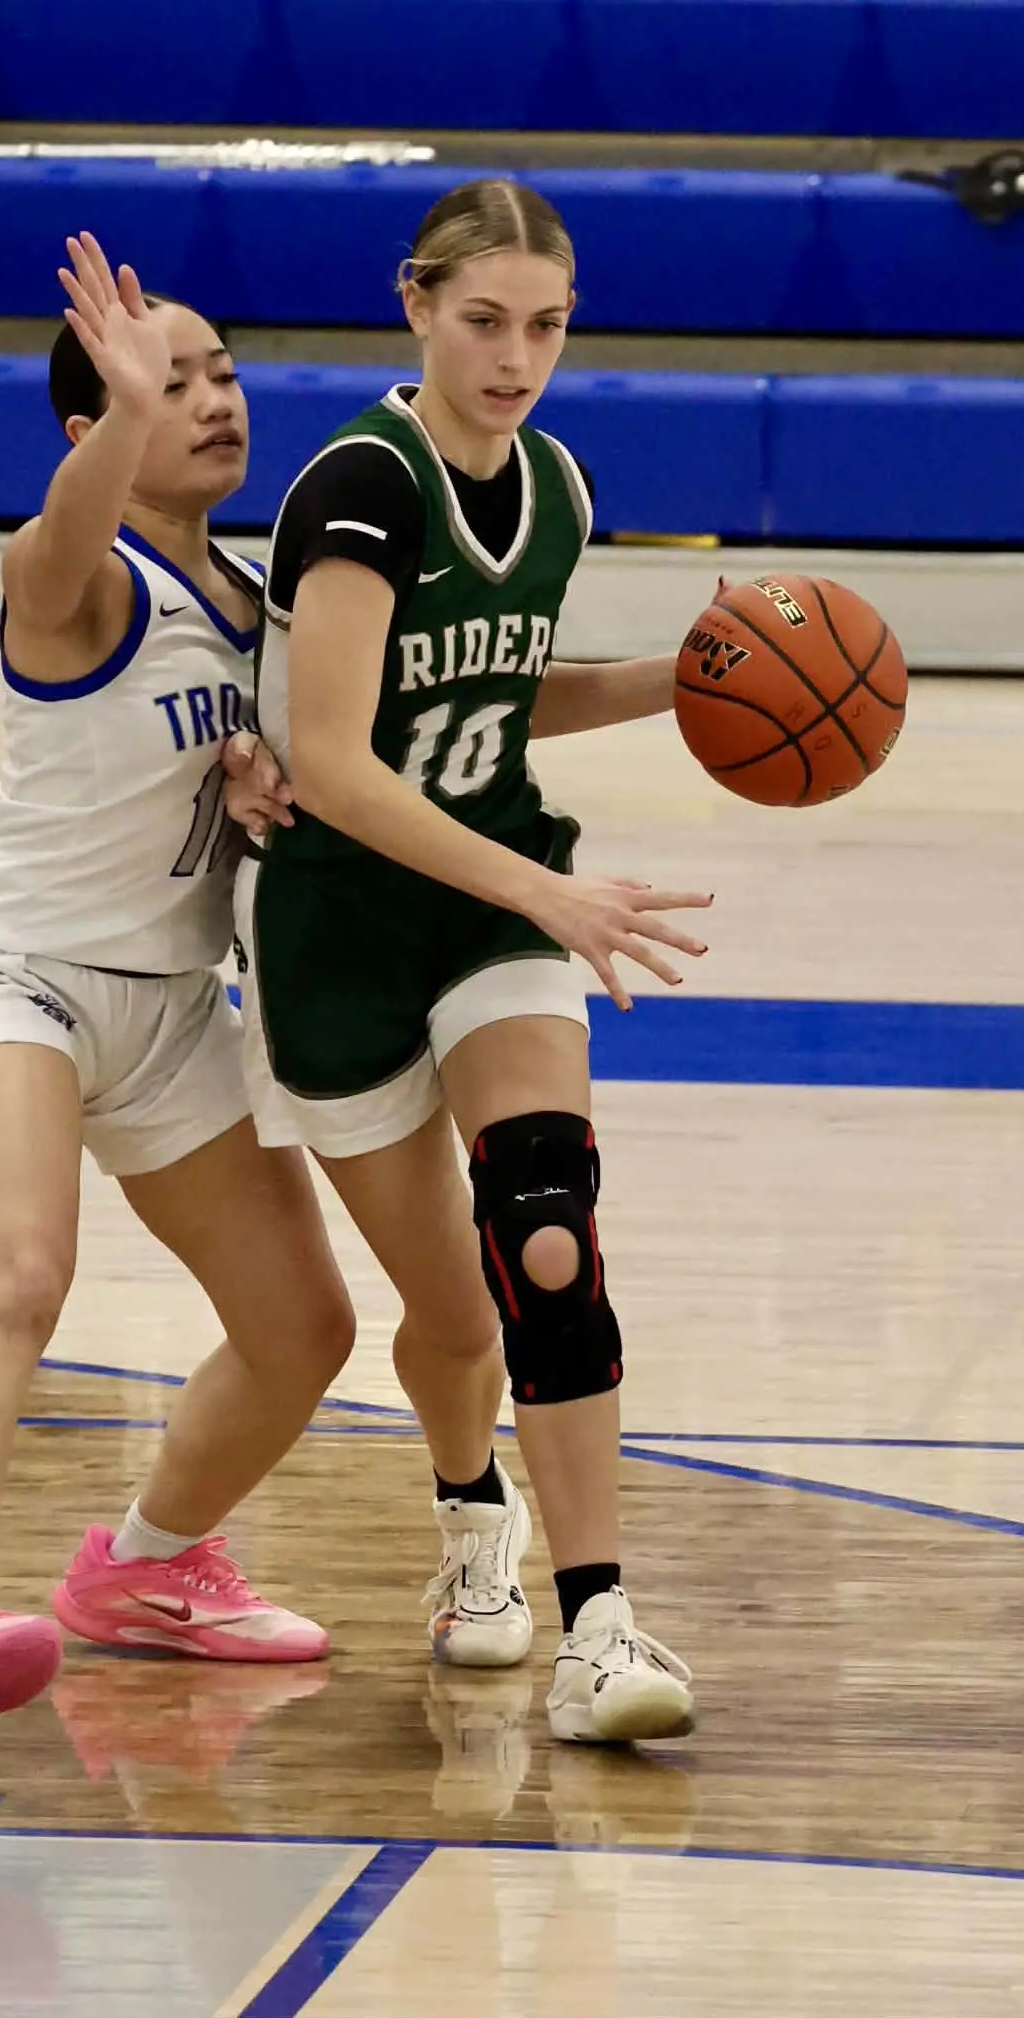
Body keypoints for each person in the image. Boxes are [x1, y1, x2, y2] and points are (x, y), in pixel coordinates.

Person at [0, 236, 381, 1765]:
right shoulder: (73, 575)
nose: (212, 398)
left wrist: (264, 785)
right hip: (12, 973)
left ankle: (147, 1565)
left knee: (304, 1327)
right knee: (17, 1277)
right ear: (91, 427)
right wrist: (119, 418)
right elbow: (54, 545)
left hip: (169, 1006)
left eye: (221, 372)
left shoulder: (265, 598)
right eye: (168, 381)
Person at [239, 179, 712, 1743]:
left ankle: (604, 1631)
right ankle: (468, 1511)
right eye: (487, 321)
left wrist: (675, 680)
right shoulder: (361, 487)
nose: (518, 358)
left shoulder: (556, 483)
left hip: (495, 907)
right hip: (340, 931)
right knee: (451, 1316)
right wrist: (552, 891)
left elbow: (499, 696)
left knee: (547, 1233)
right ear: (417, 305)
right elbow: (331, 760)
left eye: (548, 326)